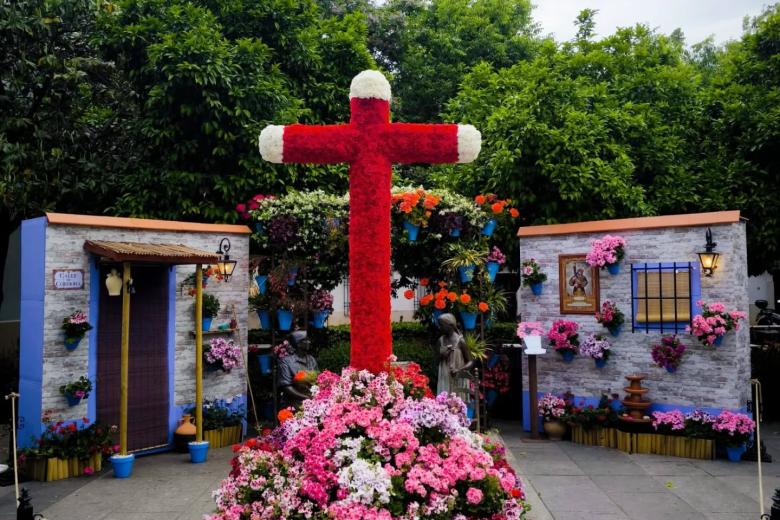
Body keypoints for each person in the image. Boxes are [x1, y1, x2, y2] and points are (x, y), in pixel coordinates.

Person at [435, 313, 474, 399]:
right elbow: (436, 361)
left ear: (450, 325)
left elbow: (470, 361)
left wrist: (459, 370)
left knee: (457, 403)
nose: (439, 327)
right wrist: (442, 355)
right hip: (444, 377)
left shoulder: (460, 341)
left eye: (441, 325)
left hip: (457, 377)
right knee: (444, 401)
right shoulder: (440, 341)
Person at [278, 330, 318, 408]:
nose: (309, 342)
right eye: (306, 340)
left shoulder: (311, 359)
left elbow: (318, 379)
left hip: (313, 402)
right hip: (294, 403)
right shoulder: (286, 362)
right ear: (298, 344)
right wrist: (306, 398)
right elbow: (286, 386)